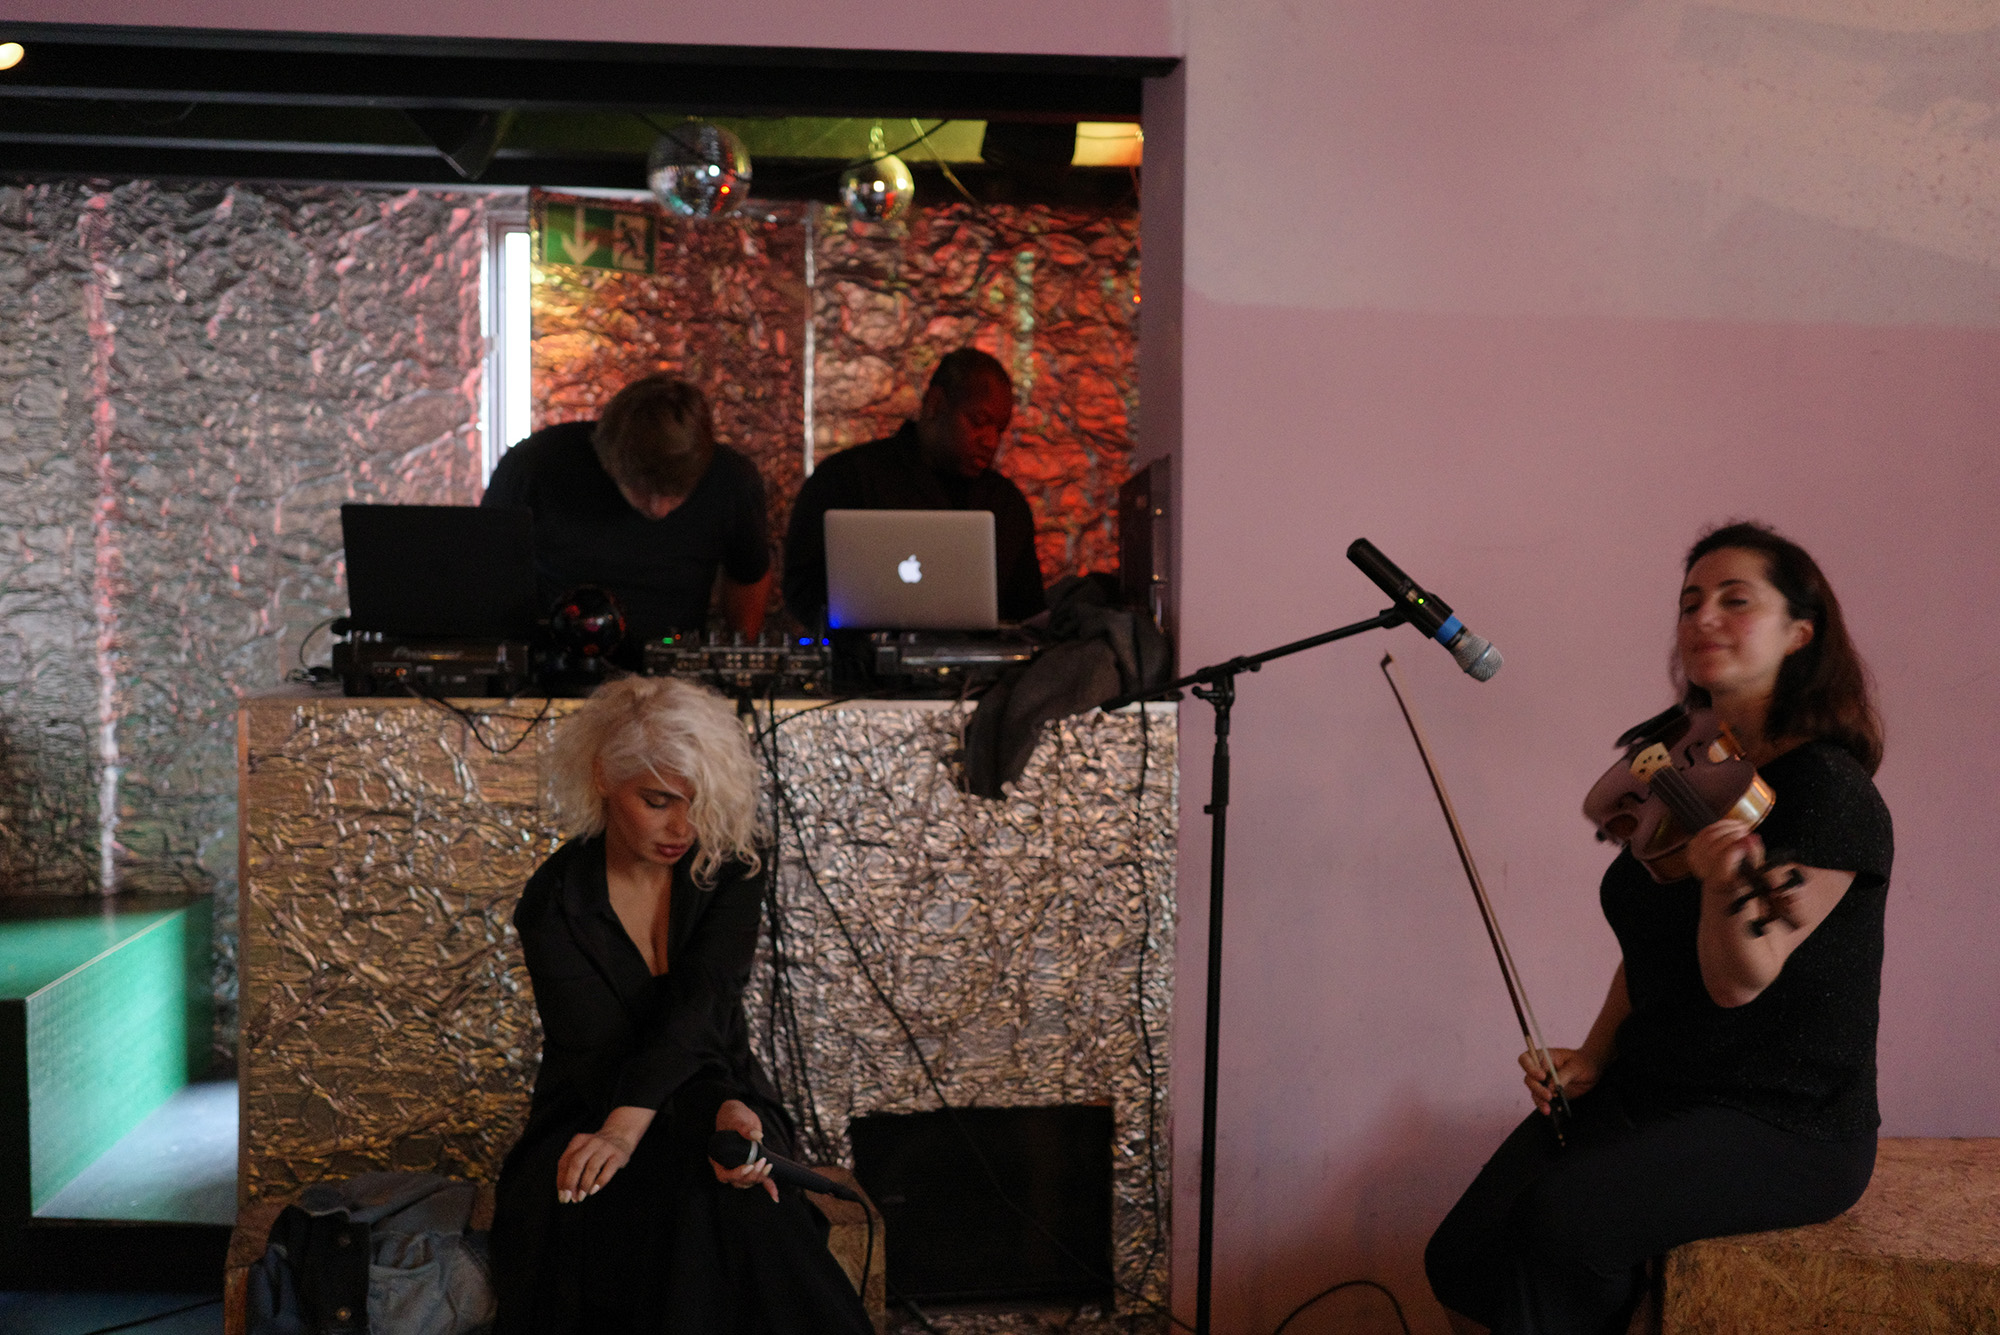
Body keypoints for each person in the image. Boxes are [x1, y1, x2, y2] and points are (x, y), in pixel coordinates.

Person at [1424, 522, 1892, 1335]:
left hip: (1781, 1117)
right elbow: (1649, 946)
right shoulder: (1689, 765)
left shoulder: (1829, 791)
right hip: (1656, 1085)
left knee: (1563, 1226)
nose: (1704, 616)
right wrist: (1594, 1056)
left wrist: (1722, 885)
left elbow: (1737, 978)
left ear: (1800, 631)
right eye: (1690, 602)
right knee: (1463, 1254)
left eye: (1735, 600)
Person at [489, 676, 873, 1335]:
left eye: (699, 803)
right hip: (593, 1111)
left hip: (729, 1096)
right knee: (694, 1202)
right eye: (658, 800)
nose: (683, 828)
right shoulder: (554, 902)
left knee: (742, 1198)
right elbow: (598, 1052)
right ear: (604, 775)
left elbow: (704, 1005)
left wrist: (728, 1109)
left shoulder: (734, 865)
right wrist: (626, 1128)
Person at [484, 375, 773, 654]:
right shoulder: (535, 466)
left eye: (677, 493)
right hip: (550, 672)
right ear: (609, 462)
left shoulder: (732, 480)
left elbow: (748, 574)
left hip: (673, 678)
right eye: (643, 491)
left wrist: (740, 659)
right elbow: (486, 570)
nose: (659, 508)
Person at [782, 347, 1046, 630]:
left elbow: (1028, 613)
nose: (991, 441)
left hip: (980, 672)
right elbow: (802, 586)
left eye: (1000, 429)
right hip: (867, 669)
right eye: (979, 422)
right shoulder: (848, 479)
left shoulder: (1005, 504)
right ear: (935, 404)